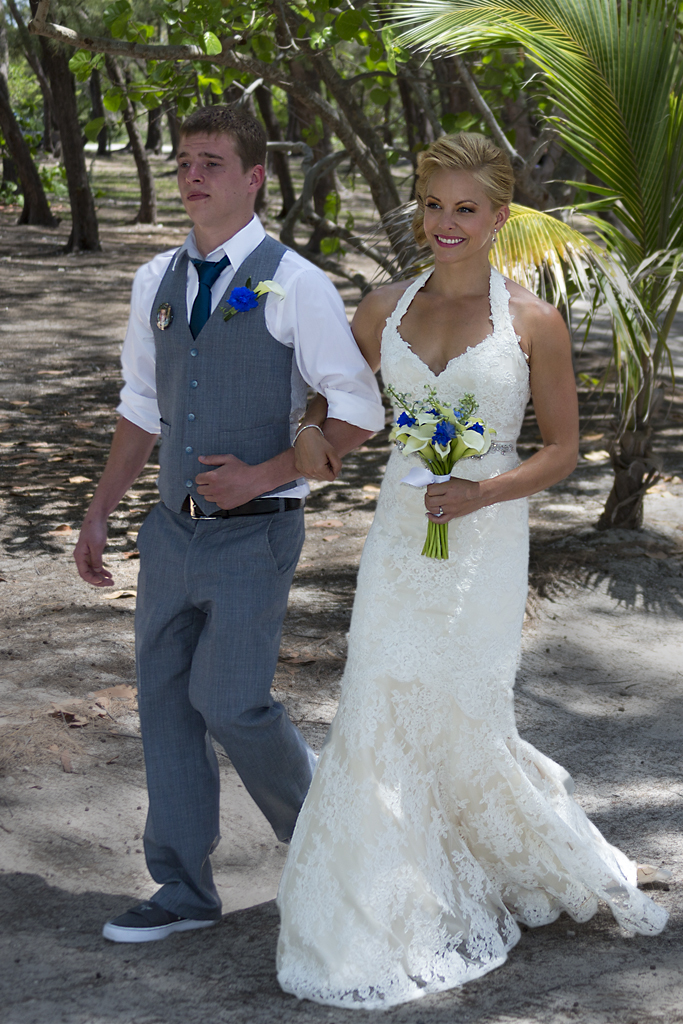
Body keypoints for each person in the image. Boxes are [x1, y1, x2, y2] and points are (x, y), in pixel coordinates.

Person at [276, 132, 668, 1009]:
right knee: (377, 691)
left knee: (463, 702)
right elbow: (329, 390)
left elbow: (563, 452)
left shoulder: (533, 320)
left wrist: (483, 491)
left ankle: (495, 853)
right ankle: (371, 900)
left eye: (464, 209)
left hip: (485, 541)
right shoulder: (381, 306)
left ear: (498, 217)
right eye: (431, 206)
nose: (445, 224)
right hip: (398, 535)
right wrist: (309, 428)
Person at [73, 105, 384, 943]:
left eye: (210, 161)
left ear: (253, 179)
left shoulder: (299, 283)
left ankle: (326, 845)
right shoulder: (153, 283)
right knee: (166, 703)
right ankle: (181, 889)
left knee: (231, 702)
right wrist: (100, 511)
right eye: (181, 162)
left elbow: (358, 410)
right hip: (170, 535)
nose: (191, 176)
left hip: (258, 534)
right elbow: (142, 408)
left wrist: (267, 473)